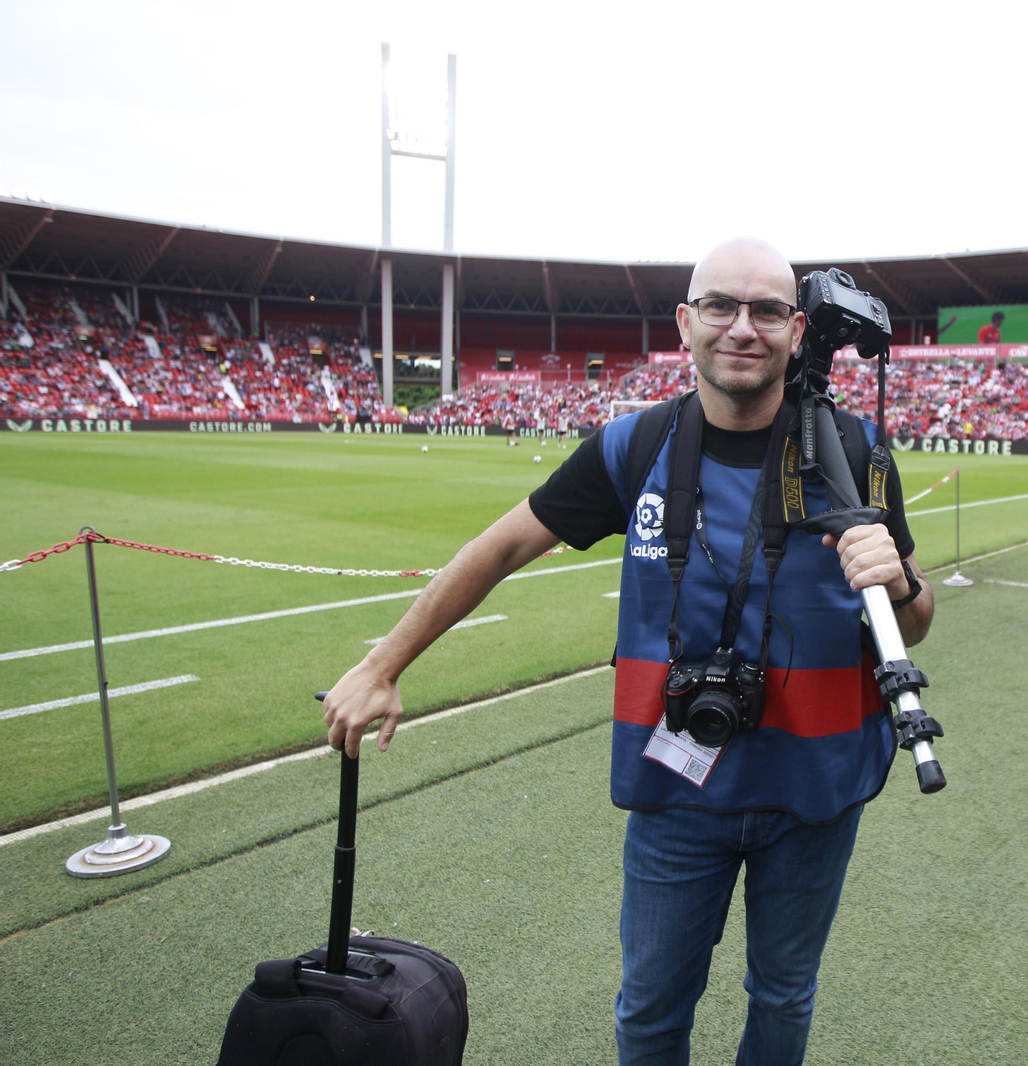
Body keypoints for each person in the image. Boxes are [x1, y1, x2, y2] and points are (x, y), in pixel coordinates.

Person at [323, 237, 934, 1066]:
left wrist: (900, 581)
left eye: (766, 310)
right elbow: (499, 549)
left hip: (816, 792)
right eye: (720, 306)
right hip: (676, 789)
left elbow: (913, 621)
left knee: (785, 996)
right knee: (649, 1013)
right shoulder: (633, 447)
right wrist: (382, 665)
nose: (742, 327)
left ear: (797, 330)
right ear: (685, 322)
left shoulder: (852, 451)